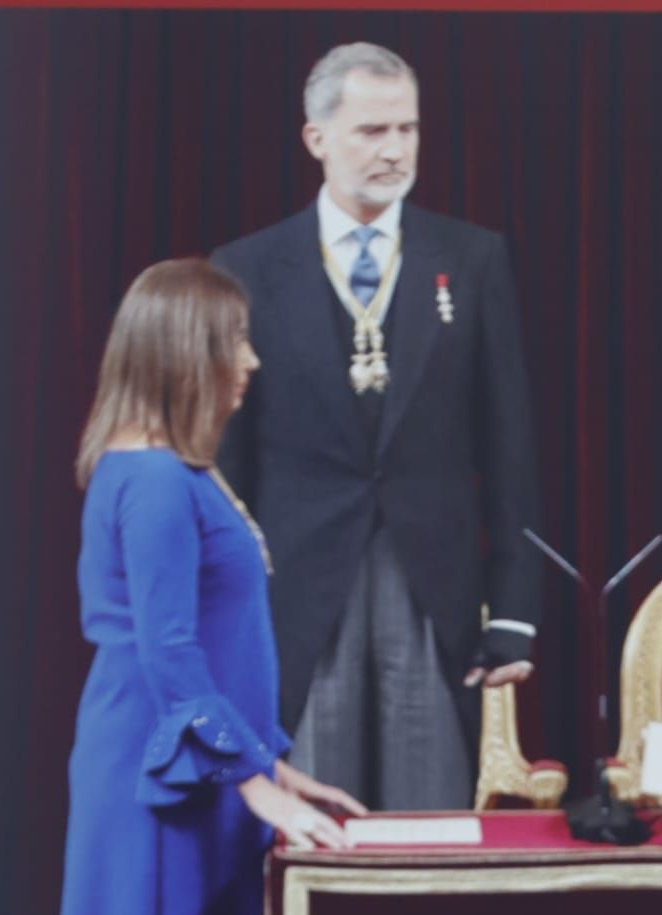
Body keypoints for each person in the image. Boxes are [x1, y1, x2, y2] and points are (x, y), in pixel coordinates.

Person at [53, 259, 361, 915]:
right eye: (235, 343)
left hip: (188, 772)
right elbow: (172, 658)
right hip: (152, 781)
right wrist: (251, 783)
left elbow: (221, 658)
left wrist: (274, 762)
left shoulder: (174, 474)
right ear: (188, 353)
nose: (250, 364)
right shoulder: (147, 479)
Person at [212, 42, 543, 814]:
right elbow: (227, 459)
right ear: (316, 138)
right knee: (311, 816)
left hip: (433, 578)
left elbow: (510, 448)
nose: (395, 150)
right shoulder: (245, 268)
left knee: (427, 815)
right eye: (371, 131)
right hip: (293, 584)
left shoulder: (471, 259)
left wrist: (517, 610)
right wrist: (226, 610)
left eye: (407, 129)